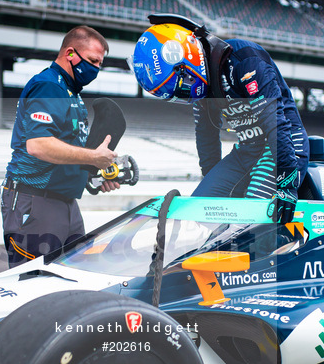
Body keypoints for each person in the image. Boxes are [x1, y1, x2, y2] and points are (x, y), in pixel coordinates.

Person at [129, 15, 308, 224]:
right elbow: (206, 136)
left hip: (282, 143)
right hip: (248, 149)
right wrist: (211, 178)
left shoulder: (245, 60)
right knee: (198, 210)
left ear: (189, 58)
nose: (185, 95)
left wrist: (286, 182)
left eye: (181, 87)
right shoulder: (200, 83)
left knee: (251, 220)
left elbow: (274, 123)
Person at [1, 25, 120, 267]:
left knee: (73, 280)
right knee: (34, 287)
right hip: (37, 202)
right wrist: (93, 157)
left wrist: (95, 174)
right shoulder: (49, 85)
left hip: (64, 203)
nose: (96, 69)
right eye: (92, 61)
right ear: (69, 53)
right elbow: (38, 145)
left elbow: (68, 153)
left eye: (99, 64)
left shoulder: (71, 92)